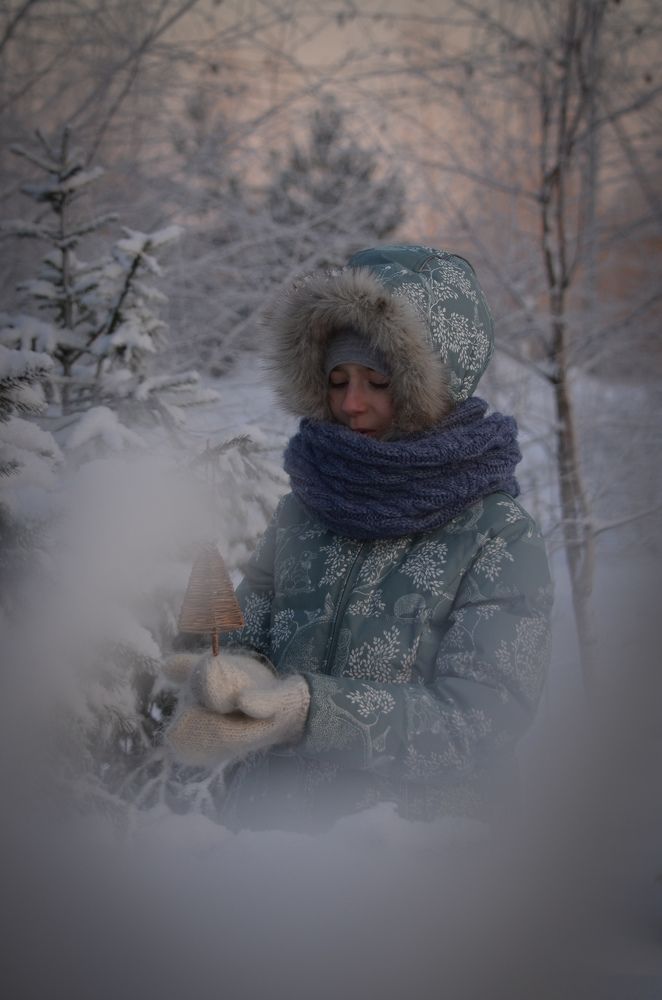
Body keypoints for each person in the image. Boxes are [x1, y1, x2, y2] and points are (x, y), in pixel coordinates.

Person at [166, 244, 553, 832]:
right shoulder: (305, 509)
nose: (351, 404)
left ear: (434, 383)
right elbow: (246, 636)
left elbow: (479, 723)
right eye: (337, 379)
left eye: (377, 381)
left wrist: (308, 711)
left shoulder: (498, 535)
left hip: (410, 866)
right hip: (265, 856)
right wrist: (235, 680)